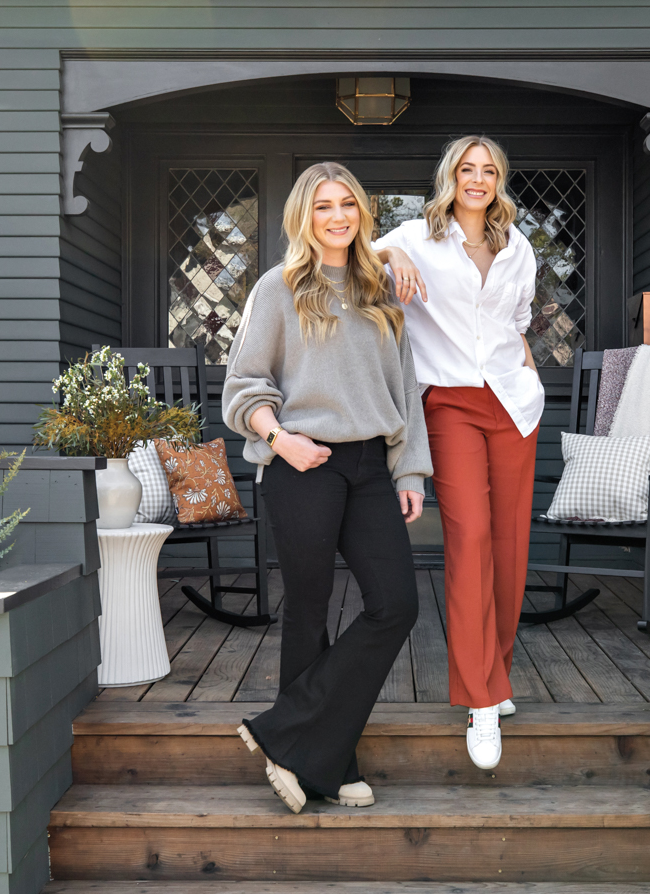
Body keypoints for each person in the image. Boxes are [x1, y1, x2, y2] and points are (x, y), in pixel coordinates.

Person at [223, 161, 430, 813]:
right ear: (302, 217)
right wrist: (281, 439)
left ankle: (284, 735)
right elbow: (244, 386)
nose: (337, 216)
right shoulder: (278, 289)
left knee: (396, 604)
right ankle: (330, 765)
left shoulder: (381, 290)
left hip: (371, 464)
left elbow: (406, 389)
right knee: (309, 609)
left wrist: (410, 468)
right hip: (302, 463)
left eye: (347, 204)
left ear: (362, 214)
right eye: (322, 206)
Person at [374, 135, 543, 771]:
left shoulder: (518, 247)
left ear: (499, 180)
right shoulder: (417, 235)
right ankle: (479, 700)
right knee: (469, 538)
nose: (478, 179)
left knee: (508, 544)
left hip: (512, 405)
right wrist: (391, 251)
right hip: (448, 403)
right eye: (467, 169)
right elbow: (354, 250)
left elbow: (518, 323)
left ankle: (492, 672)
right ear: (451, 176)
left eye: (489, 170)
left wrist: (529, 382)